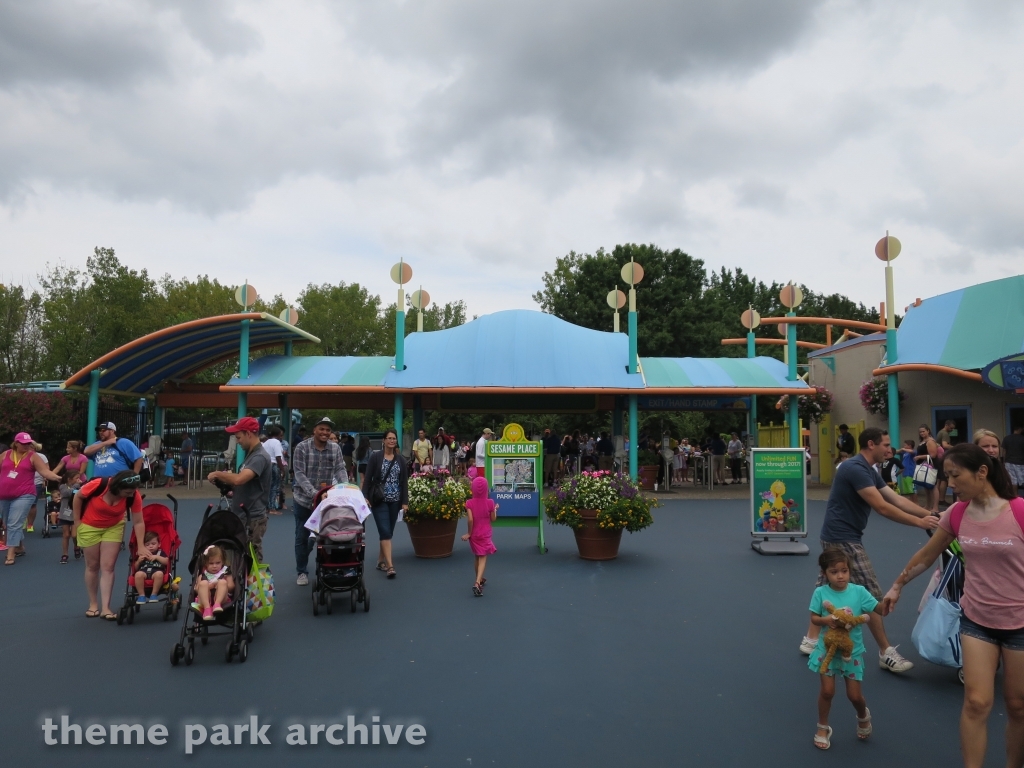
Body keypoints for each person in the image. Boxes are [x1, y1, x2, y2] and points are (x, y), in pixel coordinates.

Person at [881, 443, 1024, 768]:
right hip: (976, 621)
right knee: (976, 702)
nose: (951, 484)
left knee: (1017, 706)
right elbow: (928, 554)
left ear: (982, 472)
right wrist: (897, 585)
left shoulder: (1018, 511)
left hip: (1020, 624)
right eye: (948, 476)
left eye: (955, 476)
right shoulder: (958, 513)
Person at [798, 427, 939, 672]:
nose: (890, 449)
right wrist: (920, 523)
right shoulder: (855, 468)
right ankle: (886, 652)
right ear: (871, 444)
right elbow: (882, 507)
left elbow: (895, 499)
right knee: (870, 596)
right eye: (886, 444)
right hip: (844, 538)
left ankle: (810, 639)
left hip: (838, 535)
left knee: (828, 586)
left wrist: (932, 515)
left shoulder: (868, 470)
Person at [808, 548, 882, 750]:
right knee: (827, 691)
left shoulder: (859, 592)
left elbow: (879, 609)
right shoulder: (821, 593)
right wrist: (826, 620)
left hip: (852, 653)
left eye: (844, 570)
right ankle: (822, 727)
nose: (840, 575)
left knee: (855, 696)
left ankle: (862, 715)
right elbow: (814, 618)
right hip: (827, 650)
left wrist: (891, 599)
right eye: (834, 572)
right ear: (825, 574)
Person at [74, 470, 145, 619]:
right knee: (93, 566)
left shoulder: (134, 495)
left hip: (114, 526)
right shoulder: (99, 485)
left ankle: (106, 607)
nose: (131, 495)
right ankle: (93, 604)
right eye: (127, 492)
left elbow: (138, 522)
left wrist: (141, 546)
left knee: (108, 567)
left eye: (132, 492)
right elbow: (78, 496)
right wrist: (77, 522)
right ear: (117, 488)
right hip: (89, 526)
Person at [206, 416, 272, 562]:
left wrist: (218, 474)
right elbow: (244, 484)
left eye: (239, 437)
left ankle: (256, 585)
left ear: (249, 433)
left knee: (252, 559)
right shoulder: (252, 454)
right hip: (244, 514)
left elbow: (240, 479)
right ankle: (247, 584)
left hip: (252, 517)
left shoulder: (259, 456)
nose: (238, 441)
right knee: (241, 557)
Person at [291, 416, 348, 584]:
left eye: (328, 430)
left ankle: (329, 568)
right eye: (322, 429)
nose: (325, 432)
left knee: (330, 535)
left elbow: (340, 468)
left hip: (326, 500)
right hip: (303, 500)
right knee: (302, 538)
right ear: (314, 430)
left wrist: (345, 487)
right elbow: (299, 473)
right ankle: (302, 571)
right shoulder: (301, 448)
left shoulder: (335, 448)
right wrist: (315, 494)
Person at [1, 433, 62, 565]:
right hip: (4, 494)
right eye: (23, 443)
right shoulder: (5, 455)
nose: (26, 445)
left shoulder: (33, 456)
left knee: (14, 522)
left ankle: (10, 554)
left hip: (25, 493)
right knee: (7, 522)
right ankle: (19, 546)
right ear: (16, 443)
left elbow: (44, 471)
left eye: (28, 443)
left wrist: (57, 478)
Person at [361, 428, 408, 579]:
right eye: (389, 438)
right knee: (385, 531)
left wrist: (405, 502)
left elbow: (404, 482)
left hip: (395, 500)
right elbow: (368, 479)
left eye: (394, 438)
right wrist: (365, 497)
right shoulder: (376, 457)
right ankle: (390, 566)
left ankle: (380, 560)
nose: (392, 441)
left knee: (387, 532)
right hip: (379, 499)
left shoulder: (400, 459)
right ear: (384, 440)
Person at [461, 475, 497, 596]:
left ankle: (480, 578)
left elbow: (470, 520)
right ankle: (477, 583)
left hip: (474, 534)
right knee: (483, 557)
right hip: (485, 533)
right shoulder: (490, 502)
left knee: (477, 556)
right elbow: (493, 519)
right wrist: (495, 509)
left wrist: (469, 533)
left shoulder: (469, 503)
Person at [191, 545, 234, 621]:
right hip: (204, 600)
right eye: (211, 563)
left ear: (223, 561)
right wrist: (210, 586)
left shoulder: (226, 572)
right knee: (203, 583)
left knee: (222, 582)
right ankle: (207, 608)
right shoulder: (203, 574)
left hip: (222, 599)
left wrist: (220, 585)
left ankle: (217, 604)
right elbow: (197, 589)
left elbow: (231, 587)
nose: (214, 566)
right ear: (206, 563)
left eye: (218, 563)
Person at [133, 530, 168, 604]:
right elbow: (135, 568)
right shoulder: (142, 553)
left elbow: (166, 561)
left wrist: (157, 557)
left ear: (159, 544)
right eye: (147, 544)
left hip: (156, 571)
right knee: (138, 574)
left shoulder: (160, 552)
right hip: (144, 571)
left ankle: (154, 594)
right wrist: (139, 561)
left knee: (159, 574)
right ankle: (141, 595)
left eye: (153, 544)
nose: (151, 546)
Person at [916, 424, 943, 512]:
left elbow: (933, 455)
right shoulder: (923, 441)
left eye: (923, 431)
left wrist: (920, 457)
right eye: (920, 432)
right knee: (926, 486)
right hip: (923, 466)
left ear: (928, 431)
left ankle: (935, 507)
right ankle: (928, 506)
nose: (922, 433)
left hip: (931, 466)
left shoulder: (930, 441)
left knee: (933, 486)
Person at [58, 471, 83, 563]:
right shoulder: (62, 486)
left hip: (75, 514)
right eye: (76, 478)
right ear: (69, 479)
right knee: (66, 535)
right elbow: (66, 493)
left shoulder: (80, 486)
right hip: (64, 514)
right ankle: (65, 554)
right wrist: (76, 486)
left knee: (74, 535)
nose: (79, 480)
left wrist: (78, 486)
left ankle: (76, 547)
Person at [26, 446, 49, 534]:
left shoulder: (41, 456)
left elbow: (46, 468)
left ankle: (30, 524)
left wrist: (45, 479)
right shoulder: (20, 456)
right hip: (22, 483)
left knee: (32, 504)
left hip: (36, 482)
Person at [263, 426, 286, 514]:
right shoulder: (276, 442)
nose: (281, 437)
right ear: (277, 434)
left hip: (266, 465)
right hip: (274, 465)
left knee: (267, 487)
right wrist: (282, 469)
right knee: (274, 487)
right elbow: (278, 456)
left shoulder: (266, 442)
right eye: (281, 435)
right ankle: (272, 508)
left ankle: (266, 507)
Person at [1003, 425, 1024, 495]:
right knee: (1022, 481)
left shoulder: (1007, 438)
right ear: (1020, 429)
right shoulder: (1022, 438)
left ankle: (1015, 496)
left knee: (1013, 481)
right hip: (1021, 463)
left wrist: (1004, 461)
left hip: (1009, 462)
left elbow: (1004, 451)